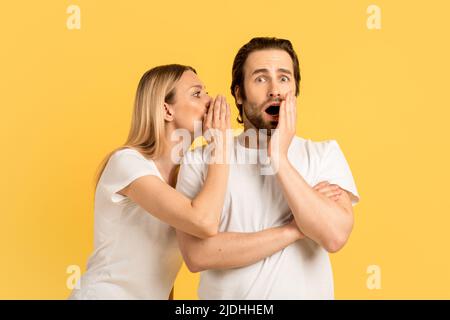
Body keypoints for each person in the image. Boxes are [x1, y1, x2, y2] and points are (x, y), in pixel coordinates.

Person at [176, 37, 360, 299]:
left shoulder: (323, 153)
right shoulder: (200, 160)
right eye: (261, 79)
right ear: (239, 93)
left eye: (284, 78)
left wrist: (279, 157)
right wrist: (294, 229)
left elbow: (334, 236)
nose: (275, 90)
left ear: (295, 89)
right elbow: (197, 255)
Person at [69, 64, 233, 299]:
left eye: (206, 91)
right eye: (197, 93)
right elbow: (205, 222)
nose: (210, 100)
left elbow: (161, 271)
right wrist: (221, 145)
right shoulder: (126, 163)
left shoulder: (186, 177)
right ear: (167, 110)